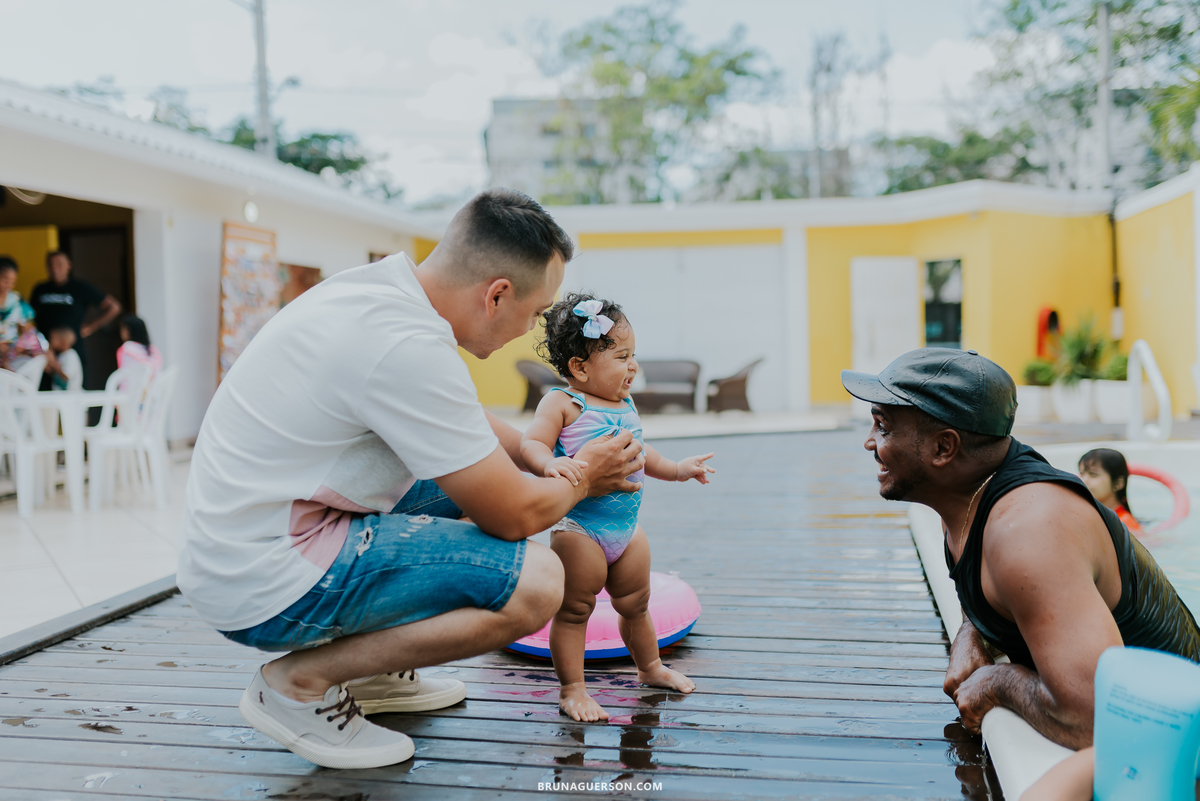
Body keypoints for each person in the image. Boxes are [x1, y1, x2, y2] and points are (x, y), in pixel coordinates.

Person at [178, 189, 646, 771]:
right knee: (539, 581)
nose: (528, 332)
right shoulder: (404, 345)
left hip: (255, 530)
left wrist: (540, 458)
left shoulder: (384, 292)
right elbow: (515, 514)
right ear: (496, 294)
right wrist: (583, 477)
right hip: (261, 576)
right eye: (531, 314)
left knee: (473, 486)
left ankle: (371, 672)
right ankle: (299, 684)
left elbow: (461, 422)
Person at [841, 348, 1200, 749]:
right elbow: (991, 587)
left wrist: (996, 682)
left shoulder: (1029, 531)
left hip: (1180, 747)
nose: (870, 442)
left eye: (884, 427)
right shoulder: (968, 494)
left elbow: (1096, 718)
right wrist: (970, 632)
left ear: (944, 449)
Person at [520, 293, 713, 722]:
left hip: (626, 529)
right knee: (574, 611)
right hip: (580, 530)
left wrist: (678, 469)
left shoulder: (626, 404)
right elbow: (530, 442)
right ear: (580, 367)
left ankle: (650, 668)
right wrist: (551, 462)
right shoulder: (563, 404)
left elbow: (643, 454)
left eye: (634, 355)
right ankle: (572, 689)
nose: (633, 366)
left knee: (636, 604)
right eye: (622, 356)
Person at [29, 250, 121, 386]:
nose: (55, 268)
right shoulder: (40, 289)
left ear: (69, 265)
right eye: (51, 265)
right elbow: (29, 317)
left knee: (73, 392)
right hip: (45, 352)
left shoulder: (80, 288)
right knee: (45, 397)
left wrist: (90, 327)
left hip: (73, 349)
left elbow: (114, 307)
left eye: (59, 264)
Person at [1078, 448, 1143, 536]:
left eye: (1093, 474)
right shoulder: (1090, 517)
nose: (1084, 480)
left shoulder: (1125, 524)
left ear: (1118, 483)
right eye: (1082, 474)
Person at [0, 256, 33, 370]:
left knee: (36, 340)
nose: (9, 285)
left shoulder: (17, 300)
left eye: (12, 282)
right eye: (5, 280)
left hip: (12, 350)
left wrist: (18, 346)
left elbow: (26, 328)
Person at [41, 327, 83, 392]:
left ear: (63, 342)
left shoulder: (70, 355)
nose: (50, 341)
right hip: (61, 396)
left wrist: (53, 362)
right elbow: (55, 374)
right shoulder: (60, 356)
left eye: (53, 338)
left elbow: (66, 376)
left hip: (71, 396)